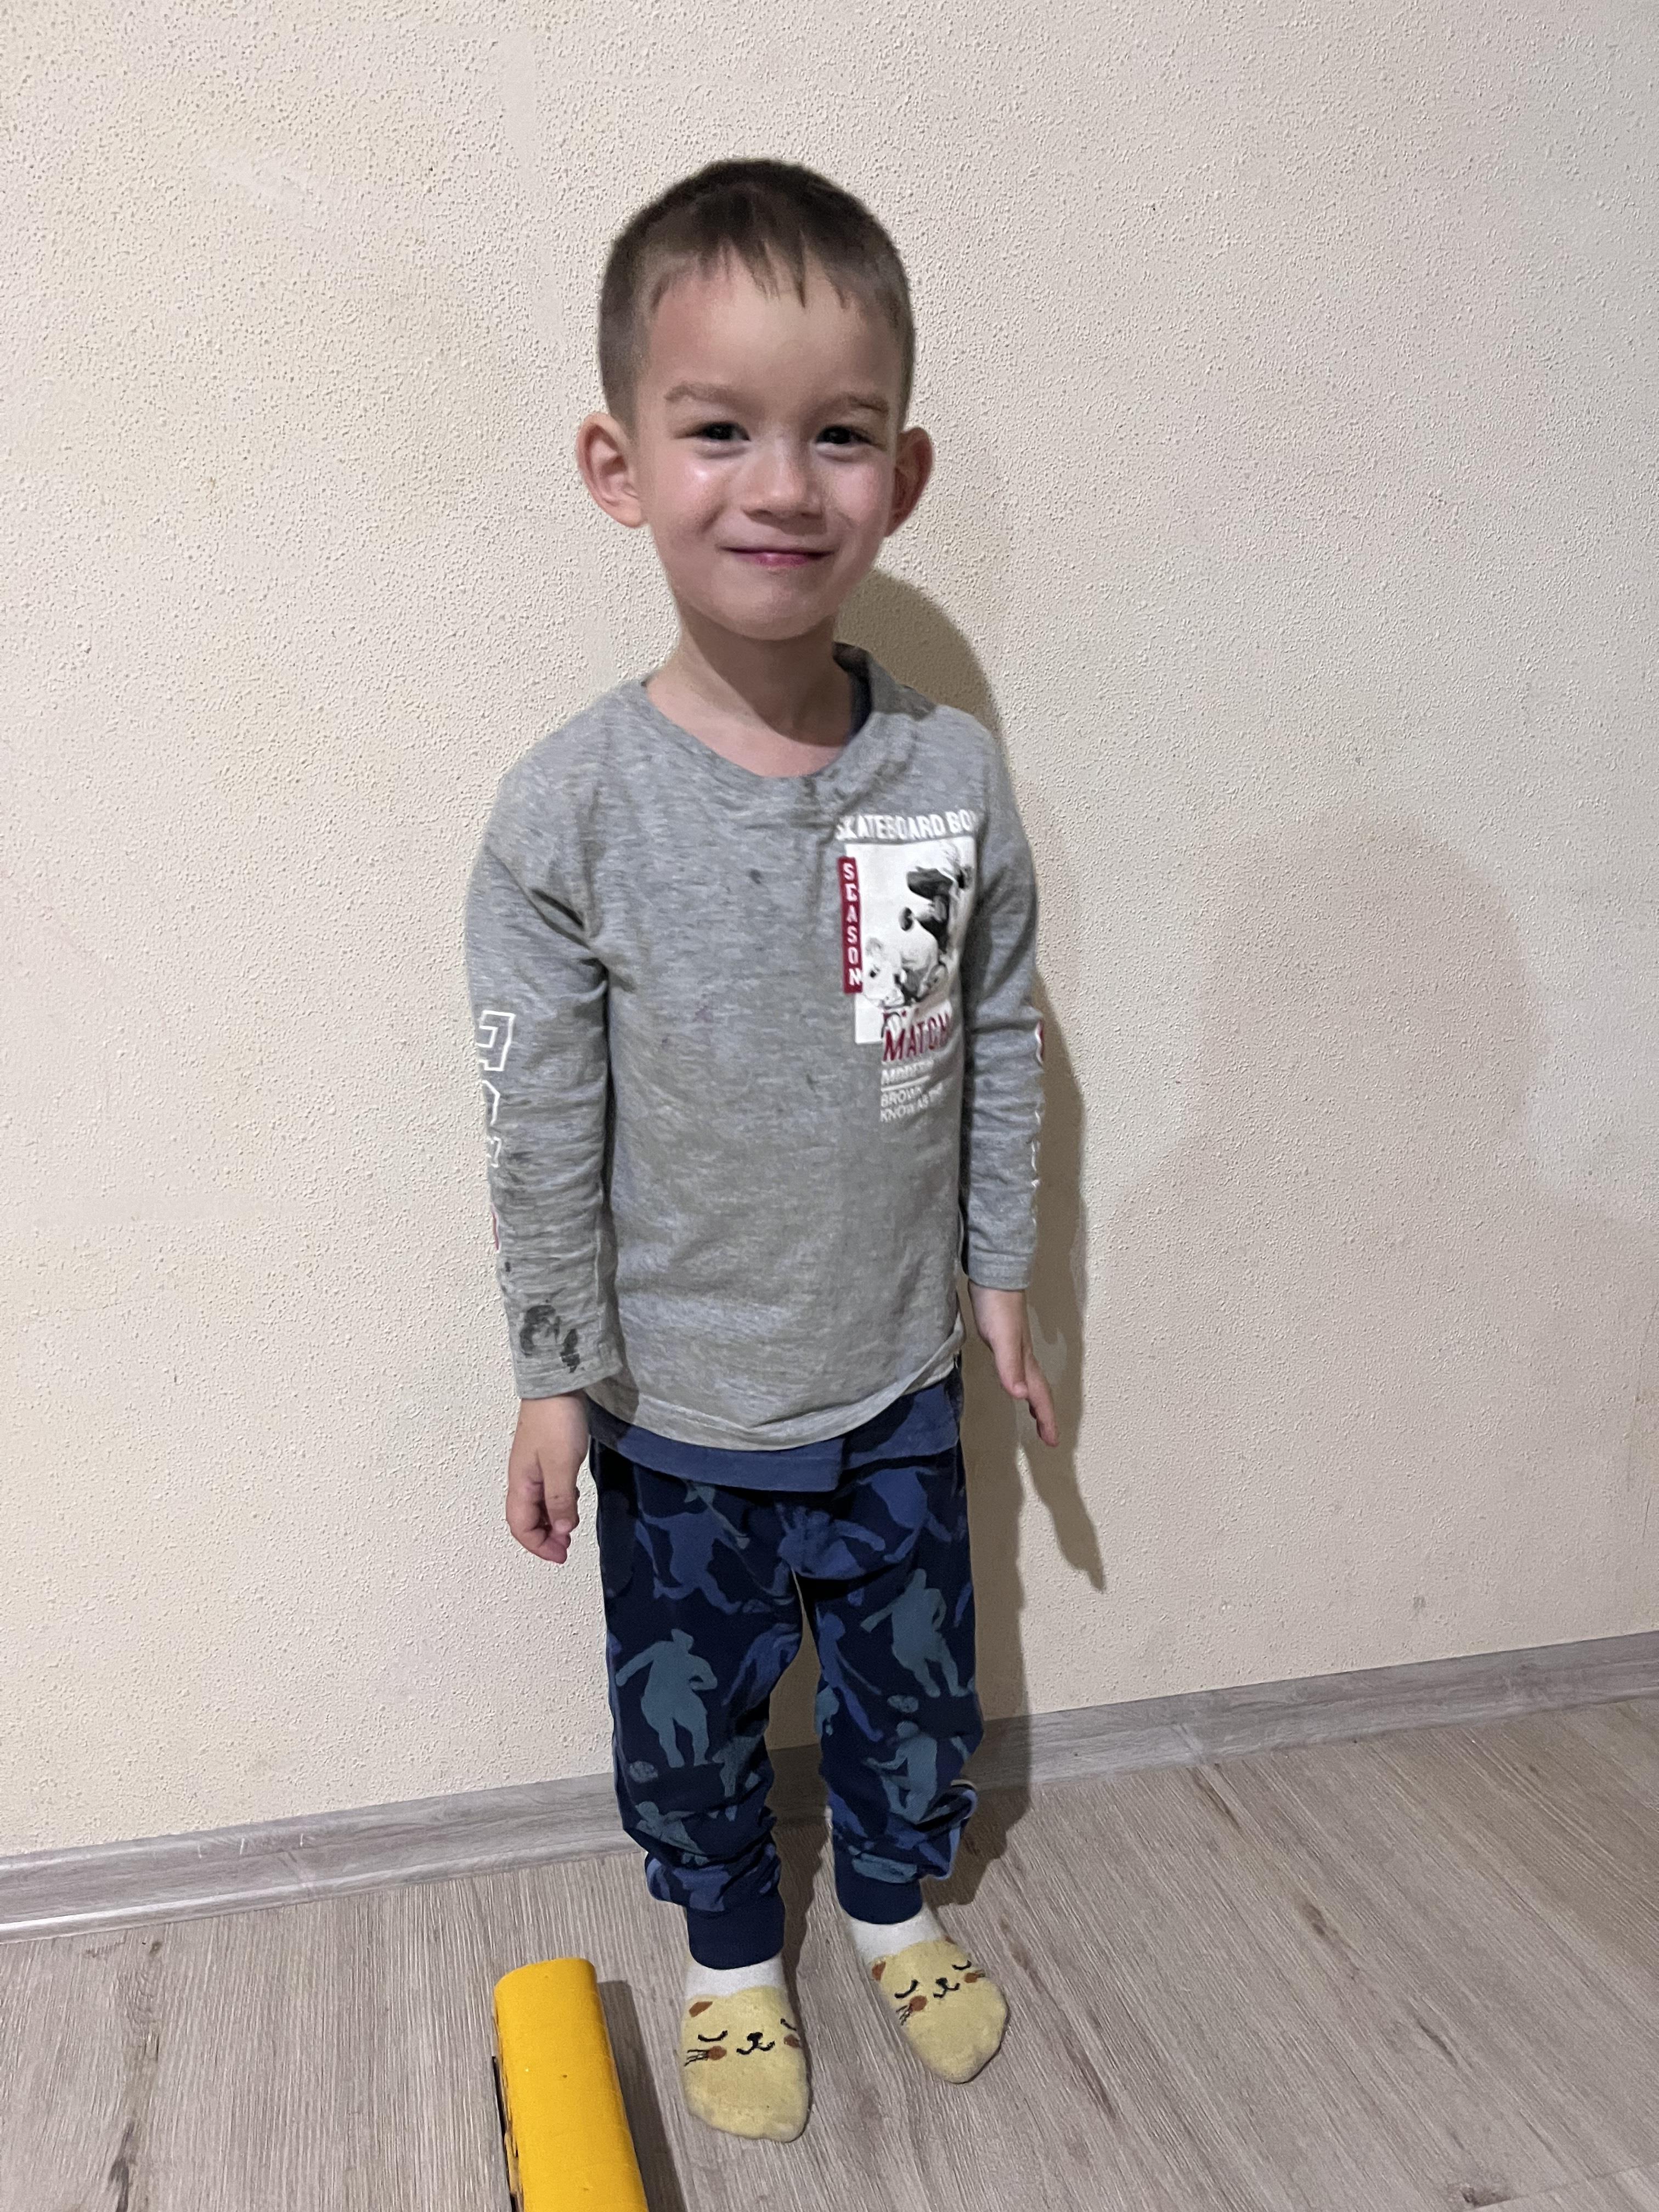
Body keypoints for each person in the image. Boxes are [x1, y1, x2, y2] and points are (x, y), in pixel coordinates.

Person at [463, 157, 1055, 2146]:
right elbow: (542, 1115)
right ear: (620, 465)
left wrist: (999, 1271)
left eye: (840, 435)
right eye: (720, 430)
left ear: (903, 473)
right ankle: (732, 1959)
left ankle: (889, 1910)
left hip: (895, 1383)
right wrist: (553, 1371)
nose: (783, 486)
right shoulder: (566, 816)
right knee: (692, 1714)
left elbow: (982, 1037)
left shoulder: (947, 779)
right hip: (679, 1413)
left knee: (912, 1687)